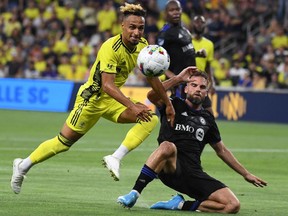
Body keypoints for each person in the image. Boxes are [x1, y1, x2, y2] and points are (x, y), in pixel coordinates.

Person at [10, 3, 176, 194]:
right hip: (91, 100)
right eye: (132, 27)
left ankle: (115, 157)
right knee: (63, 143)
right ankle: (23, 166)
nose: (137, 32)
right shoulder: (110, 47)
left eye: (140, 28)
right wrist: (132, 105)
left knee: (149, 118)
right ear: (122, 26)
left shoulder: (144, 47)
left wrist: (168, 104)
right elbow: (107, 85)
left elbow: (152, 78)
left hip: (113, 101)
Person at [117, 66, 267, 213]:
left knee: (232, 205)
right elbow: (152, 96)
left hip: (193, 173)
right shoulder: (173, 104)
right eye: (193, 85)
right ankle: (134, 193)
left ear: (206, 93)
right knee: (167, 146)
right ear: (186, 89)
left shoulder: (208, 119)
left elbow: (221, 150)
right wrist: (178, 79)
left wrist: (246, 174)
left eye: (202, 87)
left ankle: (180, 205)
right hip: (170, 167)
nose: (198, 89)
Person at [156, 0, 196, 98]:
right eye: (172, 10)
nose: (175, 13)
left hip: (192, 80)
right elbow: (157, 59)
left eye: (177, 9)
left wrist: (197, 53)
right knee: (180, 111)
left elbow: (184, 50)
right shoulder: (165, 33)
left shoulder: (184, 28)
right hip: (180, 83)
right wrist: (174, 78)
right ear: (166, 13)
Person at [192, 15, 215, 114]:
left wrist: (212, 83)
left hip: (201, 82)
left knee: (210, 114)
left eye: (202, 22)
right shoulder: (187, 41)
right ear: (192, 24)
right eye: (197, 22)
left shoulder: (209, 44)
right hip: (188, 81)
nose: (199, 24)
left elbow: (208, 66)